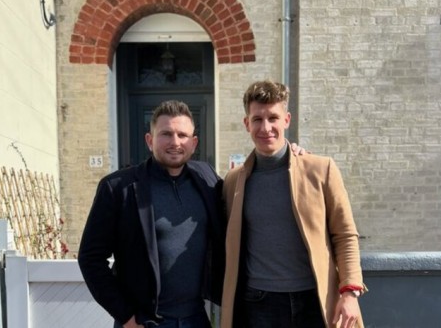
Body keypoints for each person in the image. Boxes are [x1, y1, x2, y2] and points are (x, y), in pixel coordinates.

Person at [220, 80, 367, 328]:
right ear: (247, 124)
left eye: (273, 118)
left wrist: (350, 292)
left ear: (286, 120)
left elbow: (345, 235)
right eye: (257, 119)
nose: (265, 127)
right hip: (259, 303)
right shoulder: (233, 181)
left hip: (316, 300)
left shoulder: (320, 170)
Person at [78, 100, 225, 328]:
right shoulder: (118, 188)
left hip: (197, 318)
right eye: (166, 134)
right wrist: (126, 316)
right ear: (149, 140)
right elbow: (90, 258)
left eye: (183, 135)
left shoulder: (207, 178)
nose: (175, 142)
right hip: (146, 321)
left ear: (194, 143)